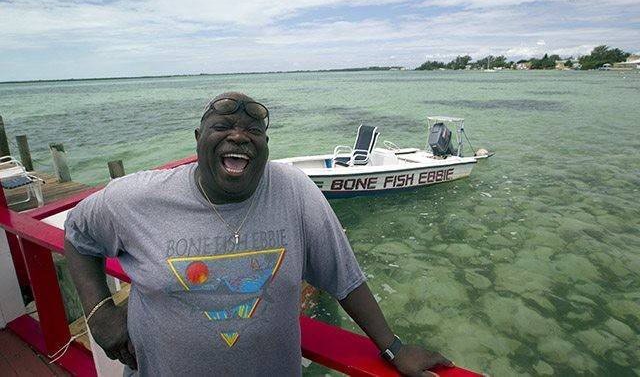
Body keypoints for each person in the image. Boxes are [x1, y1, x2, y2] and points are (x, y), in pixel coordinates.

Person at [64, 92, 454, 376]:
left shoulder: (295, 192)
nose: (239, 136)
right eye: (222, 127)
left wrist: (393, 347)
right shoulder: (137, 197)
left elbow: (345, 279)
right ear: (198, 138)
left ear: (266, 146)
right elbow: (78, 235)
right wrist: (101, 316)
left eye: (254, 130)